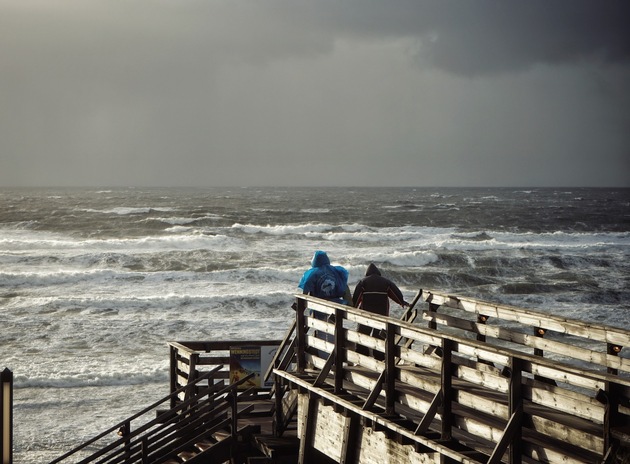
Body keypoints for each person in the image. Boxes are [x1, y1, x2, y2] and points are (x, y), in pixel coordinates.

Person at [353, 263, 409, 359]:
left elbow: (356, 298)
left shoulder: (363, 282)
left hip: (366, 314)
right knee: (379, 335)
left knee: (362, 333)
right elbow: (395, 293)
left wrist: (353, 307)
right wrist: (402, 302)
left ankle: (362, 355)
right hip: (382, 314)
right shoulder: (386, 282)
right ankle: (379, 357)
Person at [298, 251, 351, 347]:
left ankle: (325, 355)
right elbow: (344, 288)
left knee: (322, 331)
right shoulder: (337, 271)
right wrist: (350, 304)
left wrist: (302, 306)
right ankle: (335, 353)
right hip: (336, 305)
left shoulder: (312, 273)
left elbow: (305, 291)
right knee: (334, 329)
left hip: (319, 306)